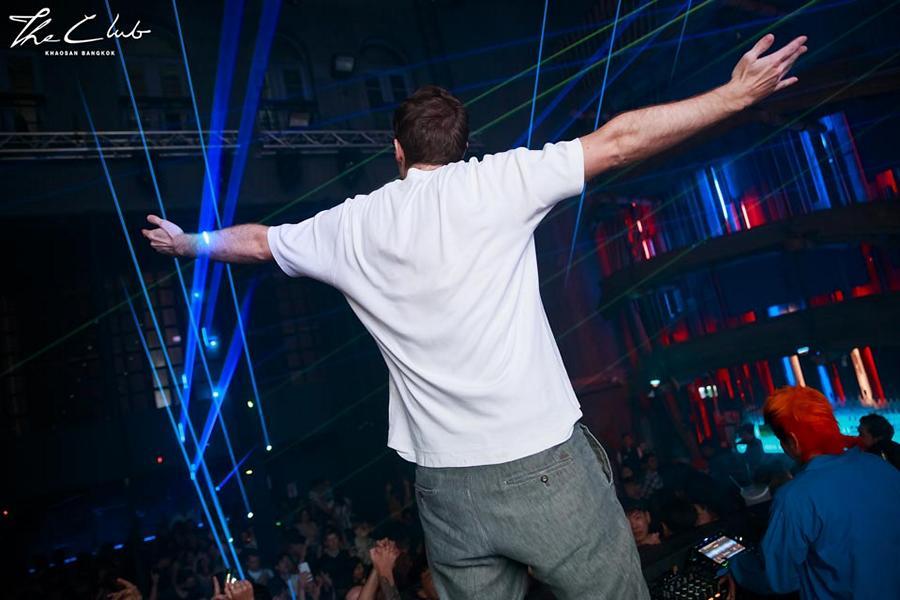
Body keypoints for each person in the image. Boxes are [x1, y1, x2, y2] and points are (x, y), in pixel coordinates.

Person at [143, 33, 808, 600]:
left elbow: (259, 242)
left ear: (396, 152)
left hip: (446, 491)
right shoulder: (498, 182)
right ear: (461, 147)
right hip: (542, 468)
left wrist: (189, 242)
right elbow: (620, 141)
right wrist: (734, 96)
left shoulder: (350, 225)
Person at [730, 386, 900, 599]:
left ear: (793, 441)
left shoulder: (795, 497)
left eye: (782, 440)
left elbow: (779, 579)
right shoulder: (882, 467)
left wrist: (734, 566)